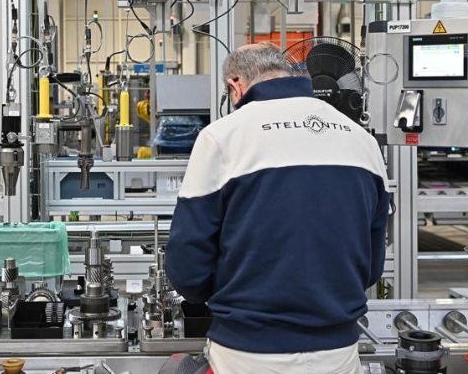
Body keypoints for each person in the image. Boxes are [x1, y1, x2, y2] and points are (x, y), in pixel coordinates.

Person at [165, 44, 390, 374]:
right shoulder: (362, 141)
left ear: (235, 85)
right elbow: (372, 264)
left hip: (248, 353)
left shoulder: (221, 137)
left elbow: (188, 266)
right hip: (339, 351)